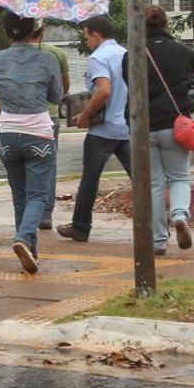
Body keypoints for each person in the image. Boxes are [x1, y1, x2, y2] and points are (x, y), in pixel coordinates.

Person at [0, 13, 62, 274]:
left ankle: (31, 250)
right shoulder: (47, 57)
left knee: (20, 195)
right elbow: (56, 95)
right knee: (38, 195)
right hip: (38, 132)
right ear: (34, 30)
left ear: (8, 32)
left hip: (7, 132)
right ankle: (23, 238)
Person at [123, 6, 193, 255]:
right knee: (179, 177)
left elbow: (129, 87)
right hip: (176, 125)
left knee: (153, 183)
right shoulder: (186, 53)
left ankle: (159, 241)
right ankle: (180, 214)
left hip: (144, 127)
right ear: (166, 24)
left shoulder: (132, 55)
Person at [57, 17, 131, 243]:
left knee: (90, 180)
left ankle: (80, 228)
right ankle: (156, 226)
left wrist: (85, 115)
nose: (87, 41)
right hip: (127, 127)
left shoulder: (99, 57)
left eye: (87, 36)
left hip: (103, 129)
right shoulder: (126, 54)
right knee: (143, 179)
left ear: (96, 35)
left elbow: (103, 90)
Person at [31, 23, 70, 230]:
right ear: (42, 31)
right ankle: (46, 213)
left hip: (20, 118)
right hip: (50, 116)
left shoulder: (8, 56)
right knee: (48, 164)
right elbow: (64, 88)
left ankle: (27, 215)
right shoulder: (57, 54)